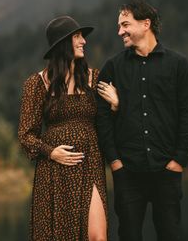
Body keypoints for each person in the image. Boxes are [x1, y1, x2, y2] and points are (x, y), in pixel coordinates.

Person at [96, 0, 188, 241]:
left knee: (170, 234)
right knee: (129, 235)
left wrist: (179, 160)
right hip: (127, 173)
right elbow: (102, 118)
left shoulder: (178, 65)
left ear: (146, 24)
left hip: (167, 170)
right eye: (119, 26)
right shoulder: (112, 67)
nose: (120, 31)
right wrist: (115, 162)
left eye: (125, 25)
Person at [18, 16, 114, 241]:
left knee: (98, 237)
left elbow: (108, 123)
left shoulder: (94, 78)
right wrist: (51, 152)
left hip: (90, 164)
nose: (84, 42)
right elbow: (26, 135)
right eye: (77, 37)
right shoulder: (37, 83)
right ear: (62, 43)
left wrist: (116, 105)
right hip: (53, 170)